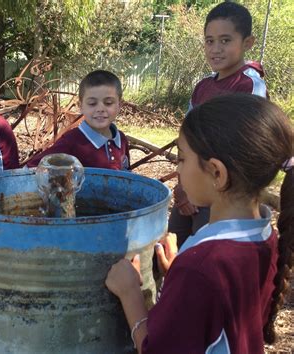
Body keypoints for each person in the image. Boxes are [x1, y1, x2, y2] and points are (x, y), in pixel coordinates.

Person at [106, 94, 293, 354]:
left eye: (182, 159)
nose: (178, 169)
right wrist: (178, 278)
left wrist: (130, 293)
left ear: (217, 173)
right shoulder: (265, 234)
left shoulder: (200, 268)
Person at [169, 1, 268, 247]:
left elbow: (244, 149)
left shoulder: (248, 86)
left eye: (225, 40)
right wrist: (183, 185)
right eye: (209, 41)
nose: (215, 48)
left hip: (221, 194)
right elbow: (187, 138)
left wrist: (207, 188)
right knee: (173, 244)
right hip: (191, 186)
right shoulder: (203, 86)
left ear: (247, 43)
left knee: (204, 252)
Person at [27, 70, 130, 170]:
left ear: (119, 105)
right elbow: (30, 168)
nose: (100, 109)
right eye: (92, 104)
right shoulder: (71, 141)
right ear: (81, 106)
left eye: (108, 103)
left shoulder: (121, 139)